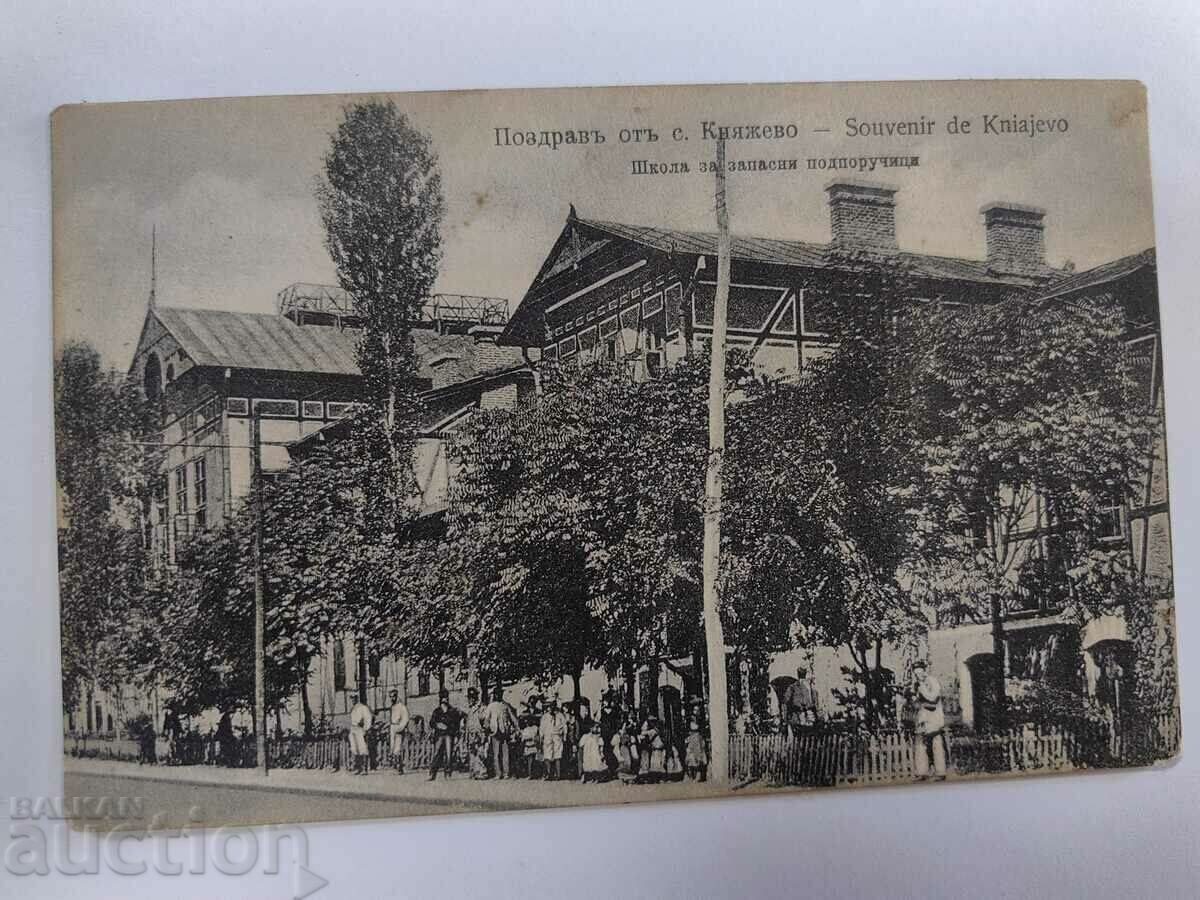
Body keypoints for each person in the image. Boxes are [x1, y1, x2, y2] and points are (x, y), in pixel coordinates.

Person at [911, 660, 946, 781]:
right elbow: (917, 702)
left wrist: (921, 688)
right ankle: (922, 772)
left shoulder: (932, 681)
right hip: (922, 718)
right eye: (916, 674)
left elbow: (933, 698)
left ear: (925, 671)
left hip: (933, 717)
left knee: (936, 743)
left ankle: (940, 773)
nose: (918, 675)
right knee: (920, 744)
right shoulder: (917, 684)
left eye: (920, 673)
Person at [484, 686, 520, 780]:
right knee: (496, 753)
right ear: (495, 695)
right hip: (495, 731)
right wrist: (487, 728)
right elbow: (486, 718)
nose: (498, 695)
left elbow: (512, 717)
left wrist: (517, 727)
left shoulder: (505, 705)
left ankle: (506, 773)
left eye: (500, 694)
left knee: (505, 753)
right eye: (497, 694)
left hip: (504, 731)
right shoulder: (491, 706)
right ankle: (498, 773)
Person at [428, 691, 459, 780]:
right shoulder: (437, 711)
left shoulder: (452, 710)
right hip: (439, 735)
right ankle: (432, 773)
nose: (445, 699)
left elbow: (456, 724)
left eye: (446, 697)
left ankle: (448, 773)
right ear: (440, 699)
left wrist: (452, 731)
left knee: (449, 754)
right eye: (443, 697)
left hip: (449, 735)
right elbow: (432, 722)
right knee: (436, 754)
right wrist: (438, 724)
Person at [782, 667, 818, 737]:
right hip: (800, 716)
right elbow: (785, 702)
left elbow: (785, 702)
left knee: (806, 737)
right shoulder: (794, 687)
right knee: (803, 737)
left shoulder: (810, 687)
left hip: (807, 716)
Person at [464, 687, 489, 779]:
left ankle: (482, 772)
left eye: (471, 697)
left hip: (479, 733)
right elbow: (468, 723)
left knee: (480, 752)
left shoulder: (481, 708)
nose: (470, 700)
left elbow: (485, 721)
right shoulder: (470, 709)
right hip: (471, 734)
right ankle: (474, 771)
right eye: (469, 698)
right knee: (472, 752)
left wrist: (483, 733)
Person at [539, 699, 567, 780]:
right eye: (550, 706)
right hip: (547, 736)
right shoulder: (545, 716)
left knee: (558, 755)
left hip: (557, 736)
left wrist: (564, 736)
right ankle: (548, 774)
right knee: (547, 755)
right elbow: (542, 727)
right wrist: (541, 737)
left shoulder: (560, 715)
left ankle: (558, 775)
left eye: (553, 705)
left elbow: (565, 726)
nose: (551, 707)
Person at [613, 711, 640, 785]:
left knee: (634, 759)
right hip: (624, 745)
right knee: (626, 760)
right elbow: (620, 735)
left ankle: (631, 777)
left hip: (631, 744)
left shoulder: (633, 726)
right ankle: (624, 777)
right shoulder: (623, 727)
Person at [387, 689, 410, 773]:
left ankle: (400, 766)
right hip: (392, 727)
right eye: (391, 697)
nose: (392, 698)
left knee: (398, 748)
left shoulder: (402, 707)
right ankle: (395, 765)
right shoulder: (392, 707)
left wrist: (401, 727)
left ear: (397, 696)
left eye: (394, 696)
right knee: (392, 747)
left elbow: (406, 718)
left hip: (399, 727)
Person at [639, 715, 667, 783]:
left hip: (656, 749)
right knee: (658, 764)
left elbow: (643, 733)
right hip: (658, 749)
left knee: (656, 764)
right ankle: (659, 778)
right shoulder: (658, 730)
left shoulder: (653, 731)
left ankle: (658, 778)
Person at [349, 698, 373, 776]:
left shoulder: (363, 707)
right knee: (355, 749)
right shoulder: (353, 709)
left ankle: (364, 769)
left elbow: (368, 718)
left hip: (360, 729)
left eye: (354, 698)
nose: (353, 700)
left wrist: (366, 729)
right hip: (353, 729)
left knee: (363, 748)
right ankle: (358, 768)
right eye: (351, 698)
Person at [520, 713, 542, 779]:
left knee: (537, 760)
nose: (527, 722)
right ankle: (530, 774)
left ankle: (537, 774)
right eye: (526, 721)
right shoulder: (525, 729)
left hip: (534, 746)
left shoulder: (535, 728)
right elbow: (523, 739)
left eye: (528, 720)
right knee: (530, 761)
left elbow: (536, 737)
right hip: (528, 746)